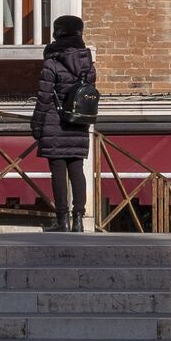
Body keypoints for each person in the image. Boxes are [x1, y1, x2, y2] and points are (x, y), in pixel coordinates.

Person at [31, 13, 98, 231]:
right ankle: (79, 219)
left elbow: (44, 96)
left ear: (57, 33)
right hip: (79, 121)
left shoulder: (52, 62)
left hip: (54, 121)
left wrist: (37, 125)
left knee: (58, 171)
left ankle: (62, 220)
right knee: (77, 169)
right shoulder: (87, 63)